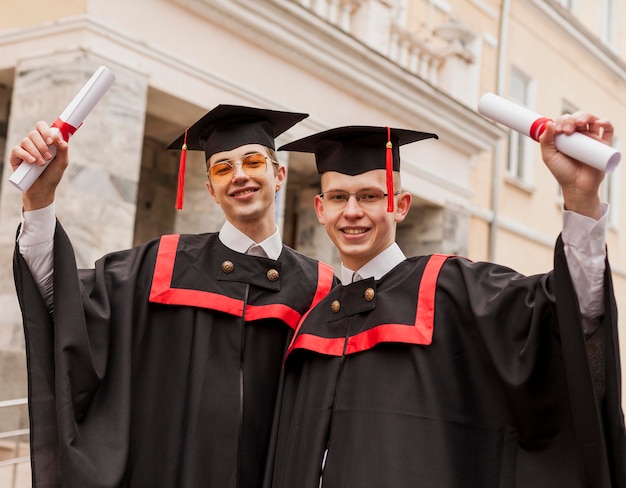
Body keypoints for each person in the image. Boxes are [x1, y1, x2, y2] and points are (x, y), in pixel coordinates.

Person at [264, 116, 626, 487]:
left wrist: (580, 199)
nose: (352, 211)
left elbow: (569, 313)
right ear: (321, 210)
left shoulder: (450, 289)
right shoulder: (313, 322)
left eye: (370, 196)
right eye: (339, 197)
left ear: (401, 205)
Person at [11, 104, 336, 488]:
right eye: (222, 168)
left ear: (278, 175)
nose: (240, 176)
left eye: (253, 161)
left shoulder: (319, 288)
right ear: (211, 190)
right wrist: (40, 199)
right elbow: (61, 300)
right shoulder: (161, 265)